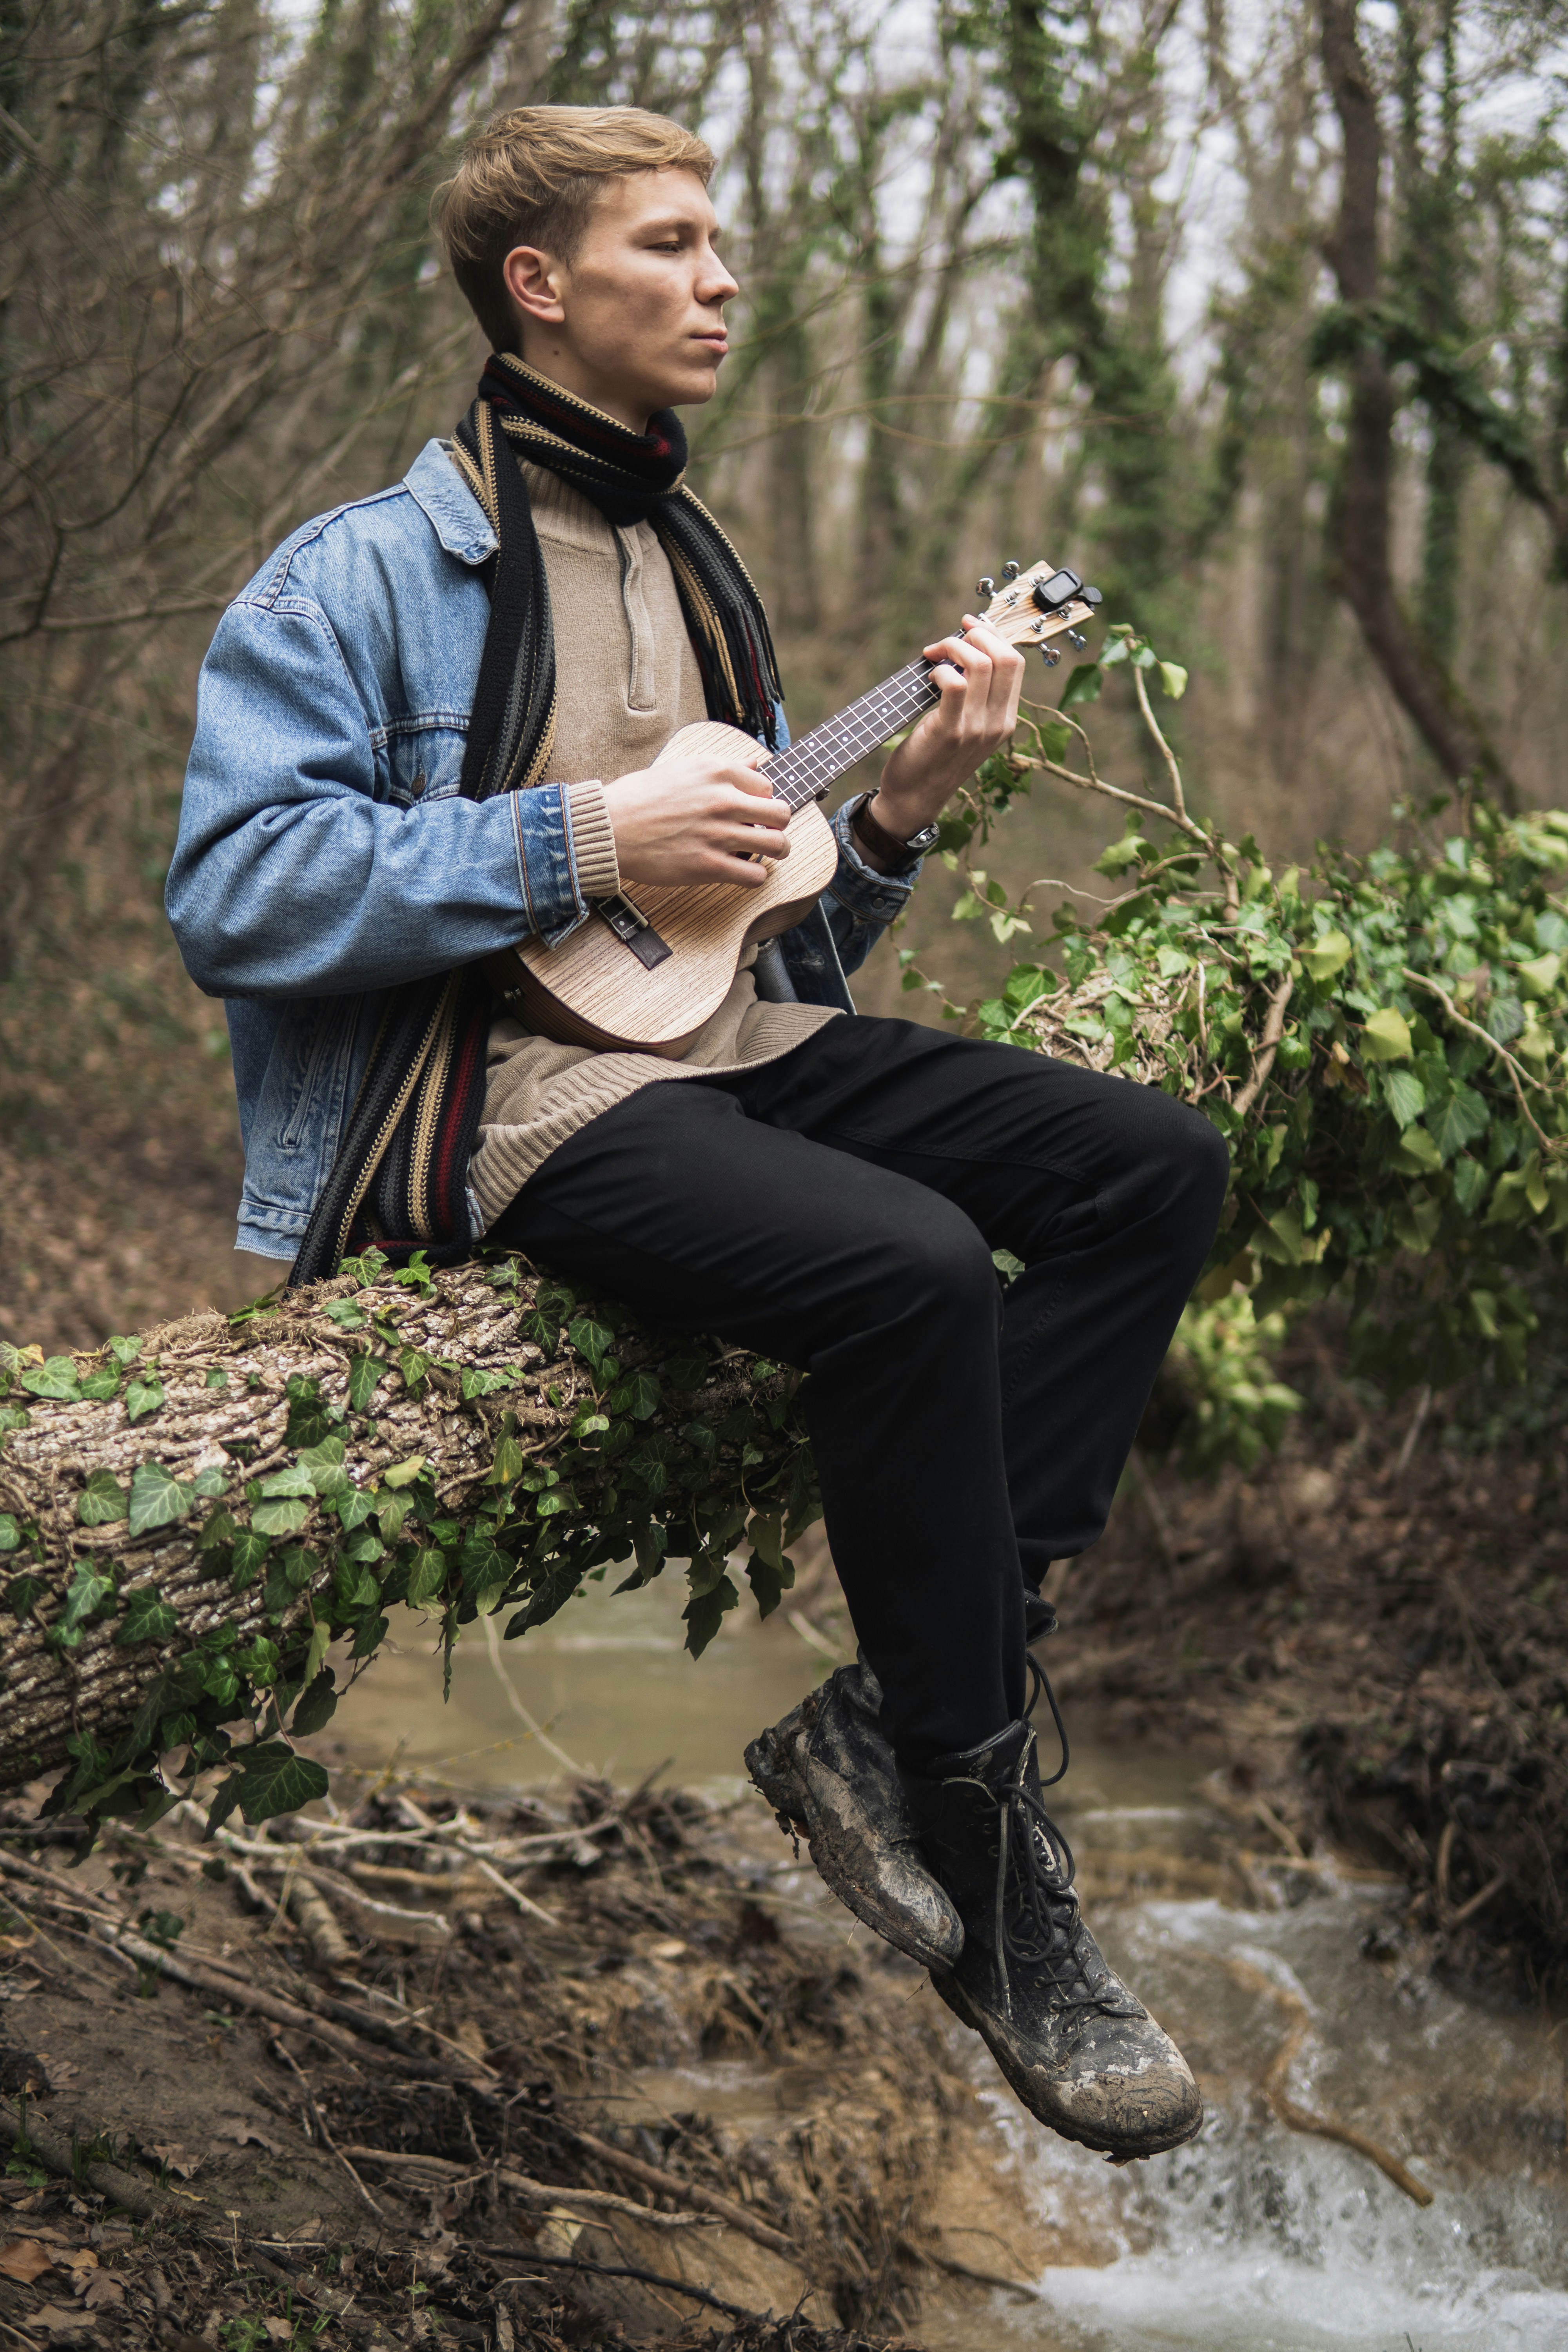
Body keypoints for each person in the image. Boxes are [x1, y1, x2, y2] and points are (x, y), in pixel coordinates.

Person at [168, 103, 1229, 2163]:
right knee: (907, 1267)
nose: (726, 279)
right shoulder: (370, 571)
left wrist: (900, 808)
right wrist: (581, 826)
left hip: (699, 1051)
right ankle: (992, 1866)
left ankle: (884, 1711)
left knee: (1148, 1167)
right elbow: (237, 894)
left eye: (725, 243)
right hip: (478, 1106)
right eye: (674, 244)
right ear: (542, 288)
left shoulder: (692, 564)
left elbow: (746, 948)